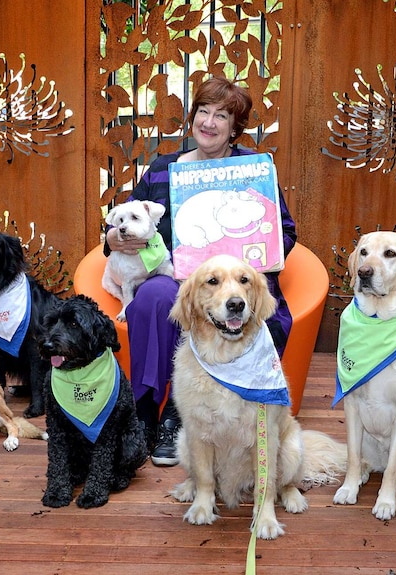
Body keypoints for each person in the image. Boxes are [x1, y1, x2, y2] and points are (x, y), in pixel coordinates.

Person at [105, 77, 297, 466]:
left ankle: (178, 417)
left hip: (233, 280)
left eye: (221, 116)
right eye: (203, 112)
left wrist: (251, 258)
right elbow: (124, 219)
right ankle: (145, 414)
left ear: (234, 127)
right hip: (177, 277)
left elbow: (286, 232)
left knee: (245, 309)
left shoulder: (252, 171)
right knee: (153, 299)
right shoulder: (163, 169)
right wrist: (113, 238)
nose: (209, 122)